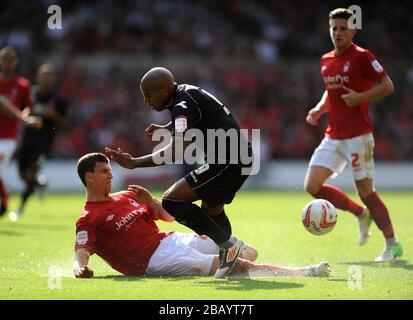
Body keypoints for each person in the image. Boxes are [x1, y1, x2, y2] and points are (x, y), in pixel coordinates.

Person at [73, 152, 331, 279]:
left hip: (171, 240)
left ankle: (256, 269)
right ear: (90, 177)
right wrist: (80, 267)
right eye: (105, 171)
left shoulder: (126, 196)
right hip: (155, 260)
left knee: (246, 251)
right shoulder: (88, 217)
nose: (111, 175)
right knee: (233, 266)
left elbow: (169, 218)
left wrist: (150, 201)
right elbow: (81, 250)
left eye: (110, 170)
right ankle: (304, 272)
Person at [105, 67, 254, 277]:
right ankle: (229, 257)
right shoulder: (185, 94)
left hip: (229, 162)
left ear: (165, 89)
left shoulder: (181, 104)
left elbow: (175, 151)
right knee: (212, 209)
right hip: (235, 158)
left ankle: (229, 247)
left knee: (172, 201)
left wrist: (135, 162)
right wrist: (168, 128)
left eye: (149, 94)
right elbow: (197, 117)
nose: (146, 101)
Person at [304, 8, 403, 262]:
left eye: (343, 28)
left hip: (359, 136)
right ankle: (361, 213)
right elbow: (331, 92)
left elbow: (387, 86)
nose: (337, 33)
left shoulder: (362, 57)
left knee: (366, 191)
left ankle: (392, 244)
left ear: (353, 30)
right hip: (333, 135)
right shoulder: (326, 59)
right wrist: (318, 109)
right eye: (334, 28)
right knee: (312, 186)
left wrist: (360, 97)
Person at [9, 64, 68, 221]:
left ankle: (19, 208)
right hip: (26, 139)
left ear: (54, 79)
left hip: (44, 143)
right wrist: (26, 115)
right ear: (38, 76)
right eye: (44, 75)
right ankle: (39, 183)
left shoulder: (58, 100)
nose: (46, 78)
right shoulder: (29, 94)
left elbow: (64, 122)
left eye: (49, 75)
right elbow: (19, 112)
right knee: (22, 174)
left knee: (30, 172)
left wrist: (53, 114)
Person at [0, 46, 42, 217]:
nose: (7, 62)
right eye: (4, 59)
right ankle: (4, 197)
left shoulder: (22, 85)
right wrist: (24, 119)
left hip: (8, 137)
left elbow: (28, 109)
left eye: (11, 59)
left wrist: (24, 117)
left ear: (16, 61)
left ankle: (4, 198)